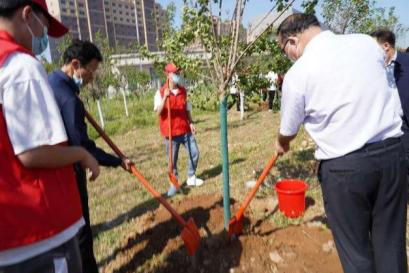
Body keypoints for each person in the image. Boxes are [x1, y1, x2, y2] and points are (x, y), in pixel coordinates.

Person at [276, 13, 407, 273]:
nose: (288, 55)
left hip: (346, 170)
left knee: (357, 255)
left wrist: (282, 142)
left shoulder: (298, 74)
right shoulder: (366, 43)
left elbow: (288, 129)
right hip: (392, 155)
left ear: (293, 41)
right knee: (391, 248)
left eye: (285, 50)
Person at [0, 1, 100, 272]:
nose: (44, 37)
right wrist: (82, 154)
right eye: (45, 26)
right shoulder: (20, 65)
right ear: (28, 15)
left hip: (11, 234)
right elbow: (33, 152)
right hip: (40, 231)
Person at [48, 39, 131, 273]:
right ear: (76, 65)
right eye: (91, 70)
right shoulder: (69, 100)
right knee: (81, 232)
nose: (92, 77)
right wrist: (117, 160)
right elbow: (83, 147)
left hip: (51, 173)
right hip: (70, 175)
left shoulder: (51, 82)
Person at [154, 63, 203, 197]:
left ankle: (191, 177)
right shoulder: (160, 92)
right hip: (170, 133)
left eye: (178, 73)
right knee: (172, 162)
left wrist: (191, 122)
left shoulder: (183, 91)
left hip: (185, 130)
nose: (177, 76)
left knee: (195, 152)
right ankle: (174, 185)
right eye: (175, 73)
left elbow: (187, 108)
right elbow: (158, 112)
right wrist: (165, 97)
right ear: (168, 75)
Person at [371, 29, 409, 169]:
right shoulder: (375, 67)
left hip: (405, 124)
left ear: (386, 46)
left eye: (374, 47)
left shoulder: (406, 62)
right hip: (386, 125)